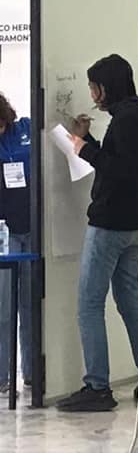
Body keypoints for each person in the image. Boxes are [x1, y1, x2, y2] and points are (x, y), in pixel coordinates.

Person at [56, 54, 138, 412]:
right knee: (130, 300)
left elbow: (119, 171)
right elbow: (124, 163)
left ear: (107, 87)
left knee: (89, 303)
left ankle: (97, 387)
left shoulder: (127, 119)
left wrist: (84, 148)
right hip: (136, 225)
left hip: (110, 225)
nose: (92, 94)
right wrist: (88, 141)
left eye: (94, 87)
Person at [0, 93, 32, 398]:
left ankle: (33, 373)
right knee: (4, 310)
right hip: (4, 233)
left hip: (32, 229)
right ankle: (2, 377)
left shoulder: (25, 129)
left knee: (31, 305)